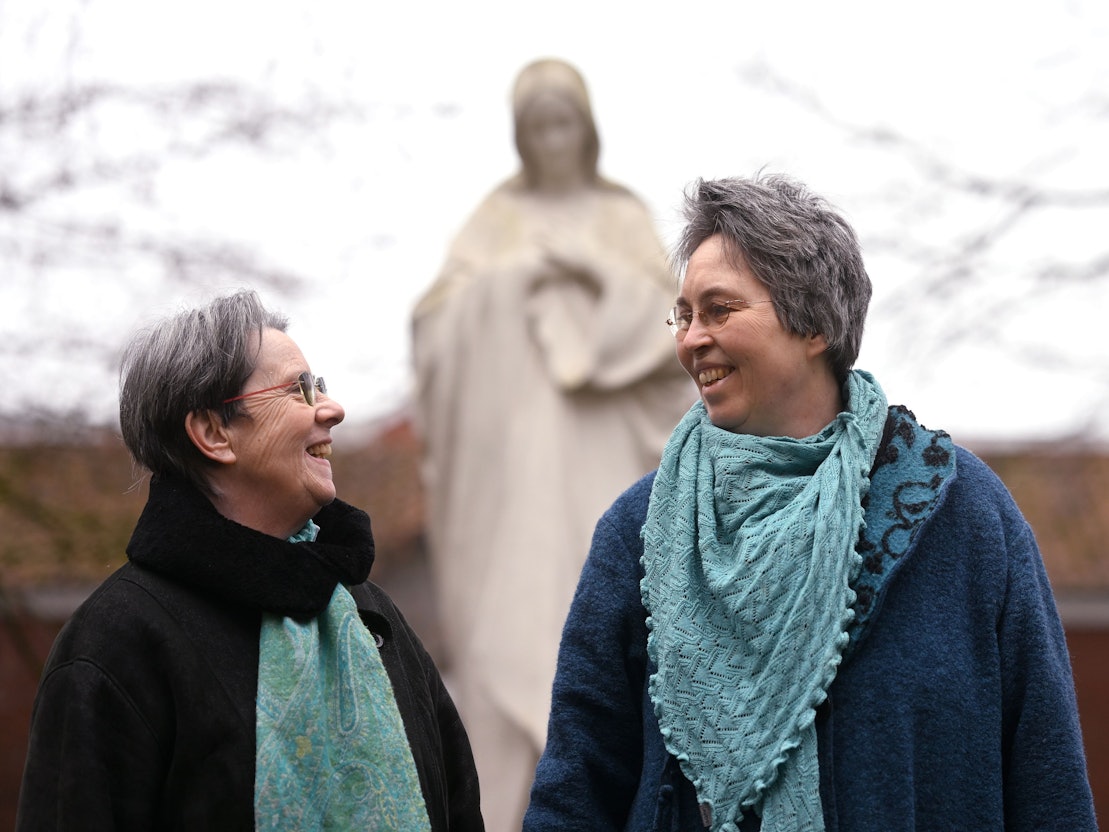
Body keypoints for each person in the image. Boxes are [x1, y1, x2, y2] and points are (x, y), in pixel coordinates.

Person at [522, 174, 1097, 832]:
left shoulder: (961, 514)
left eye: (718, 310)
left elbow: (1046, 778)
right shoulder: (640, 533)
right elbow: (577, 786)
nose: (689, 339)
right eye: (682, 315)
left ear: (814, 324)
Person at [17, 290, 484, 831]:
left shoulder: (370, 615)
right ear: (214, 433)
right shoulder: (119, 641)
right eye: (299, 391)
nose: (332, 409)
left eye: (322, 387)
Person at [411, 58, 695, 832]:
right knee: (509, 636)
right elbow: (435, 330)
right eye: (535, 126)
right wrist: (514, 286)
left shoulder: (621, 219)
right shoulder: (493, 223)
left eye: (561, 121)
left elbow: (676, 327)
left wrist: (593, 278)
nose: (551, 138)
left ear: (586, 128)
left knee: (605, 623)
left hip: (603, 462)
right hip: (512, 483)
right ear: (520, 136)